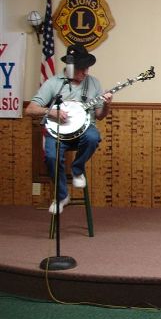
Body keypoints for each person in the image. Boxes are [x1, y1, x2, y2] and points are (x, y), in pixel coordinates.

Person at [25, 44, 112, 214]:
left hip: (84, 130)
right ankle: (62, 196)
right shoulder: (53, 83)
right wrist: (51, 112)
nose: (85, 72)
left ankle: (77, 169)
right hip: (58, 133)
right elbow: (30, 109)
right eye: (81, 68)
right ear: (70, 67)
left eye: (87, 68)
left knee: (93, 137)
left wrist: (107, 105)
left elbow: (100, 115)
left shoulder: (94, 83)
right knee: (51, 156)